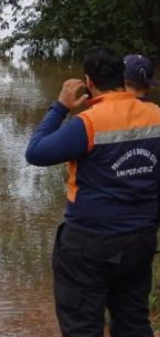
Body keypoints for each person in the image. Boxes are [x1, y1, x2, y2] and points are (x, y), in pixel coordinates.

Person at [25, 47, 160, 337]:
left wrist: (61, 106)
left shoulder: (88, 123)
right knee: (134, 323)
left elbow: (35, 152)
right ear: (122, 78)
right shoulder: (156, 115)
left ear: (89, 81)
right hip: (139, 240)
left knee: (82, 327)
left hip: (89, 244)